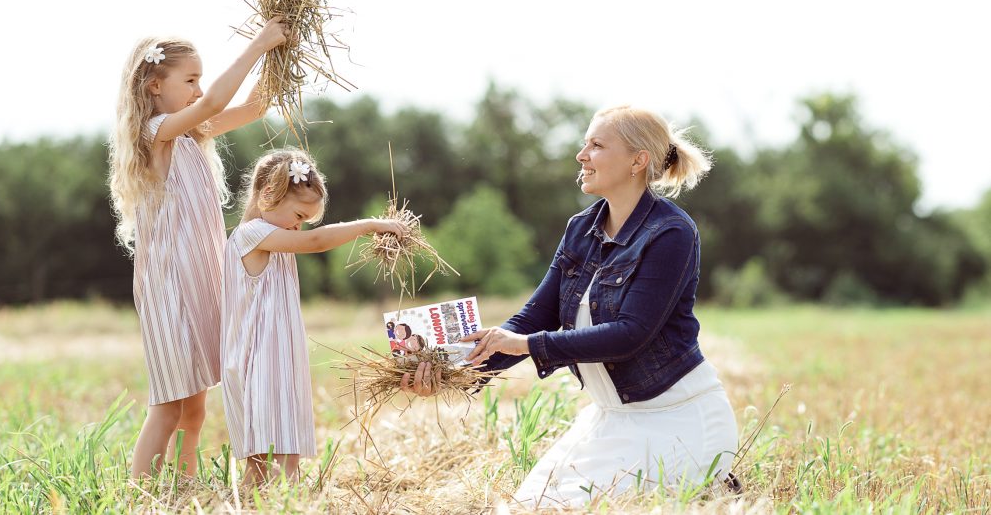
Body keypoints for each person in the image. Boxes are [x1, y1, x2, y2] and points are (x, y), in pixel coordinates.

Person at [404, 106, 739, 507]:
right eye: (585, 144)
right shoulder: (580, 229)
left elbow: (631, 334)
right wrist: (451, 370)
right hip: (613, 418)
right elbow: (533, 318)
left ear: (638, 160)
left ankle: (714, 484)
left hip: (677, 418)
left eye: (596, 145)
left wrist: (527, 345)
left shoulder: (671, 232)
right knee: (530, 505)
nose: (582, 155)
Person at [108, 17, 292, 478]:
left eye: (199, 79)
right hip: (168, 289)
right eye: (189, 79)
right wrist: (258, 42)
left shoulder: (192, 135)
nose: (198, 89)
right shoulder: (155, 133)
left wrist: (280, 57)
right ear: (153, 86)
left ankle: (182, 484)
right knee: (168, 407)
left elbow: (254, 106)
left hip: (199, 282)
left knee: (195, 410)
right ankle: (143, 495)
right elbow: (214, 101)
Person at [222, 148, 407, 487]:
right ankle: (276, 506)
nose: (299, 225)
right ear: (266, 195)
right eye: (298, 215)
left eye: (305, 221)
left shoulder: (272, 239)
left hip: (273, 359)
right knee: (273, 456)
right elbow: (318, 241)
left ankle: (266, 506)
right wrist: (370, 225)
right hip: (259, 363)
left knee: (276, 455)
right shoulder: (252, 234)